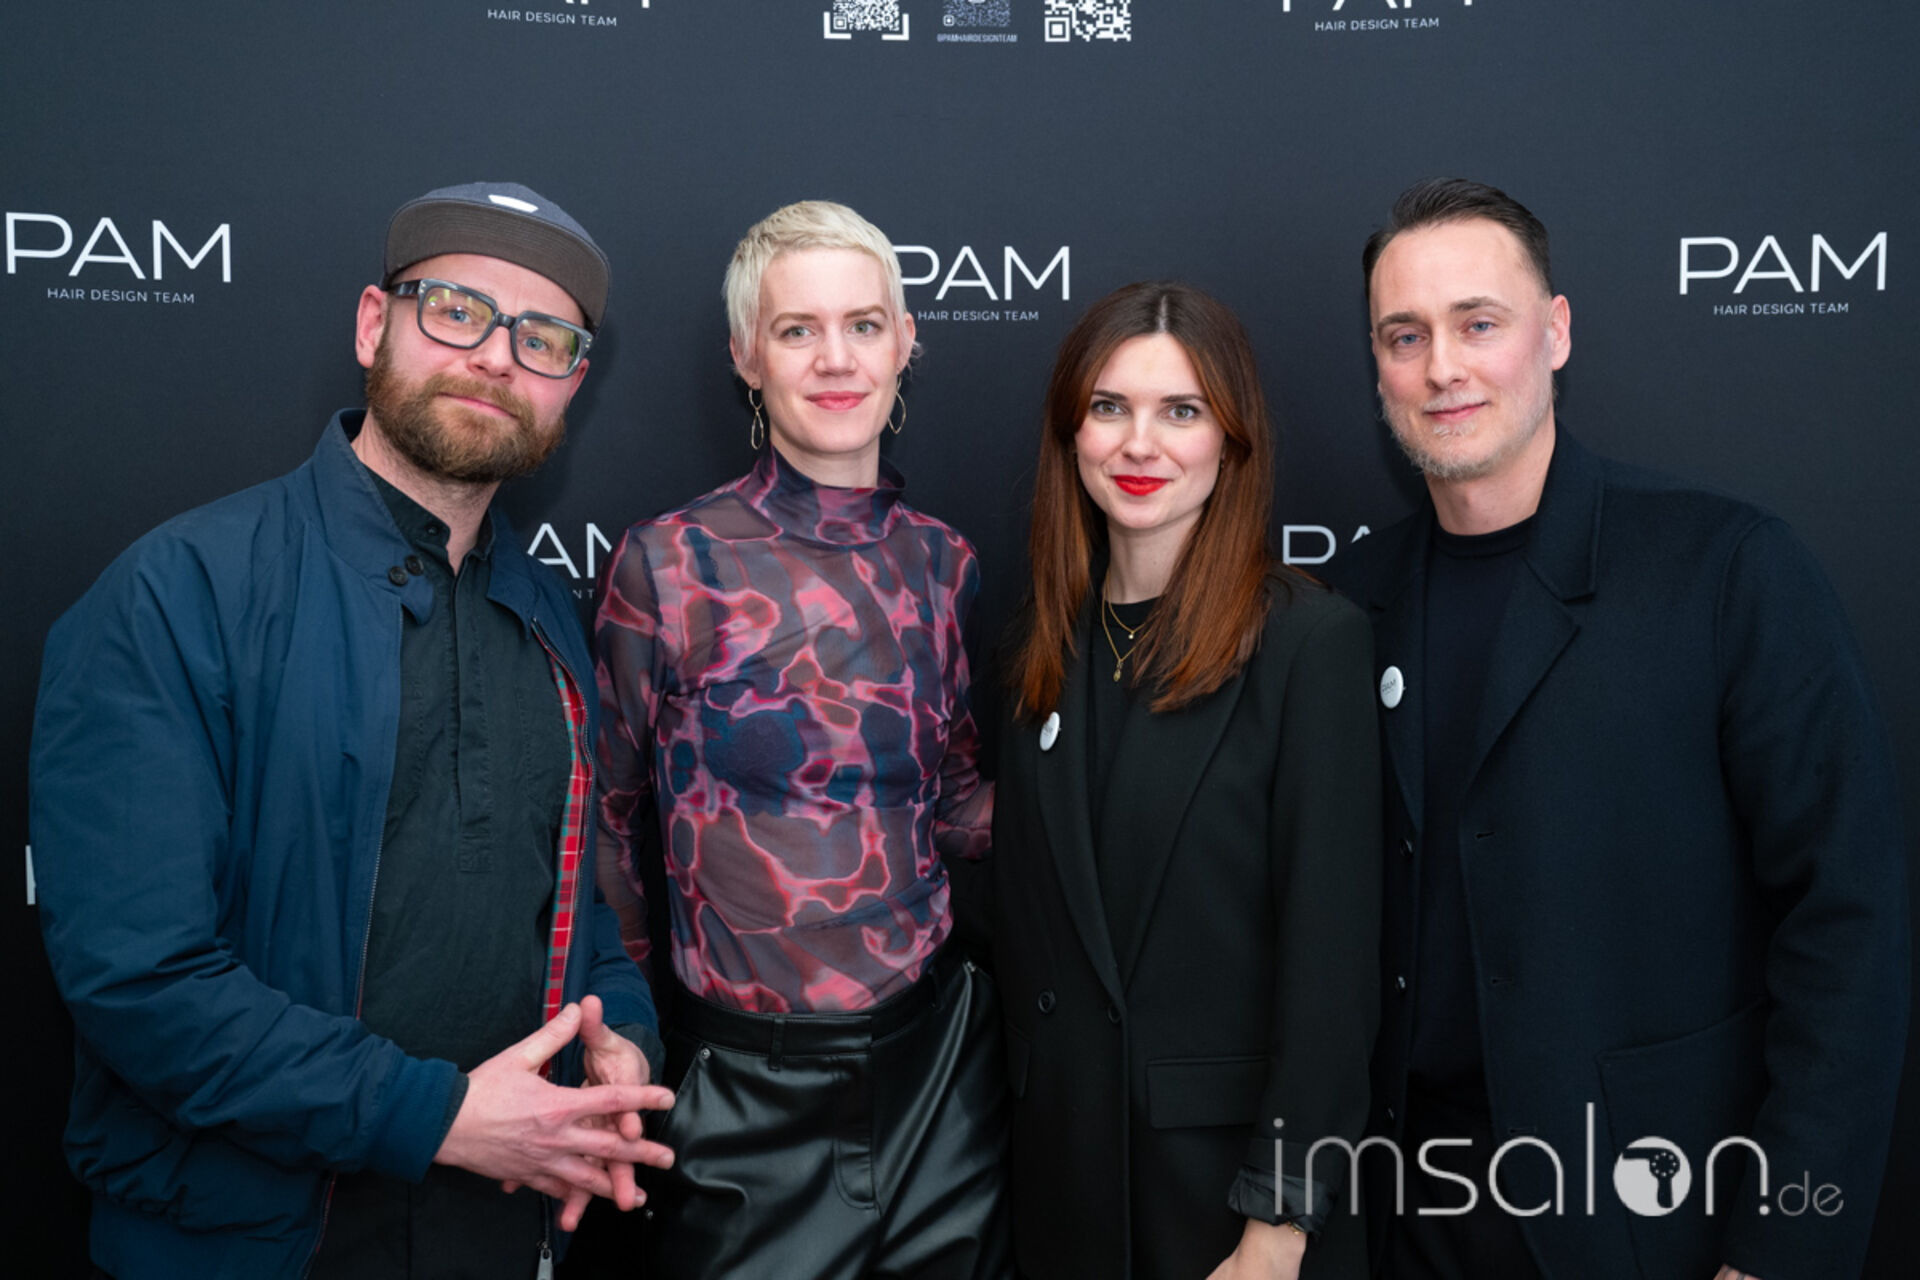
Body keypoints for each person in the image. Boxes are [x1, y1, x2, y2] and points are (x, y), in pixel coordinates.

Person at [30, 181, 674, 1280]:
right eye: (457, 311)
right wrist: (434, 1115)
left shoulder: (547, 617)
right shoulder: (180, 591)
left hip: (497, 1230)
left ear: (572, 384)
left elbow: (571, 908)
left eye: (543, 339)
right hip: (249, 1243)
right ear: (375, 323)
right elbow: (141, 978)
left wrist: (619, 1032)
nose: (496, 357)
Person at [1334, 177, 1910, 1280]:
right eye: (1406, 335)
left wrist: (1783, 1249)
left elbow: (1846, 926)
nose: (1442, 366)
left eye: (1478, 323)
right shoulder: (1348, 605)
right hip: (1402, 1215)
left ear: (1555, 333)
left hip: (1649, 1218)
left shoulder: (1726, 570)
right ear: (1377, 365)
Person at [593, 199, 1008, 1278]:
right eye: (797, 329)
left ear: (905, 341)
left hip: (941, 1073)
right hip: (742, 1095)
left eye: (863, 325)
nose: (836, 358)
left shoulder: (946, 564)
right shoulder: (670, 564)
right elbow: (607, 823)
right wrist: (629, 1035)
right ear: (747, 355)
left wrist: (1142, 777)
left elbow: (957, 803)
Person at [990, 281, 1382, 1280]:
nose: (1140, 444)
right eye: (1110, 407)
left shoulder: (1308, 644)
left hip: (1226, 1211)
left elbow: (1332, 973)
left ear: (1231, 440)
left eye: (1181, 410)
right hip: (1064, 1196)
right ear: (1071, 431)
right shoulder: (1039, 646)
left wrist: (1280, 1222)